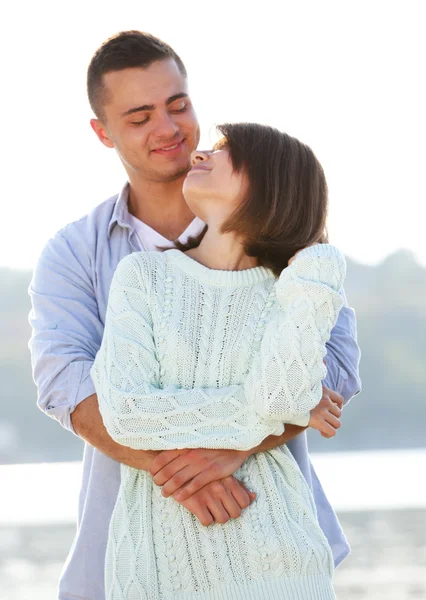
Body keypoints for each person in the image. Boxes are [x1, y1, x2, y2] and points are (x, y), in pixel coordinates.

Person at [28, 31, 361, 600]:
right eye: (139, 116)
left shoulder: (276, 229)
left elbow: (332, 371)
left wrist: (239, 447)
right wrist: (188, 472)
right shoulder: (76, 253)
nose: (168, 128)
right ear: (102, 132)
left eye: (177, 104)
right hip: (129, 558)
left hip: (273, 549)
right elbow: (69, 388)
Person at [91, 122, 347, 599]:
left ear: (273, 184)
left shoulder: (291, 293)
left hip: (280, 565)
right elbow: (126, 413)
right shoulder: (144, 276)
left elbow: (279, 396)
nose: (201, 153)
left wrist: (319, 263)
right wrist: (267, 416)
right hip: (157, 568)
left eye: (229, 151)